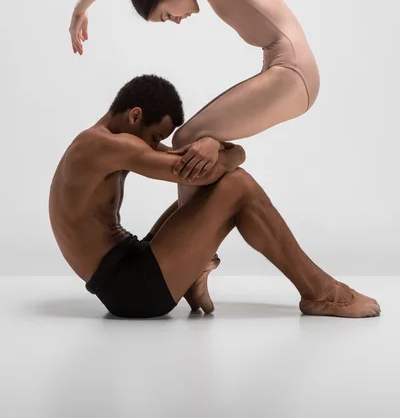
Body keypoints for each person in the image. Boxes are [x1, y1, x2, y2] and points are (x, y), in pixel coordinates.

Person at [49, 74, 381, 319]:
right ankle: (320, 293)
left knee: (218, 188)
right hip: (132, 292)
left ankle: (191, 275)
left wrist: (216, 150)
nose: (155, 146)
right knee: (238, 187)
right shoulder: (105, 145)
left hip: (131, 266)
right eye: (154, 137)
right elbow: (201, 169)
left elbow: (188, 163)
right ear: (135, 115)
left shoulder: (105, 142)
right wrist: (230, 151)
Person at [68, 0, 320, 213]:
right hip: (285, 69)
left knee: (187, 138)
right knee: (196, 141)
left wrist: (80, 9)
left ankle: (193, 249)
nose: (176, 21)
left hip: (292, 69)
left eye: (166, 15)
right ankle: (203, 236)